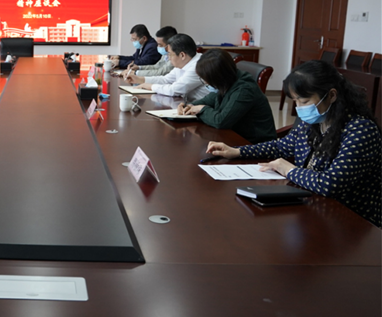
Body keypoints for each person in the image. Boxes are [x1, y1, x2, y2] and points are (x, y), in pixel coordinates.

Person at [207, 60, 381, 227]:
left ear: (332, 95)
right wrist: (238, 152)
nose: (299, 108)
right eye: (296, 101)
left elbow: (330, 184)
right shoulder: (314, 122)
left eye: (304, 101)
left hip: (353, 221)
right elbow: (281, 146)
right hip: (315, 206)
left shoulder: (360, 130)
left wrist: (289, 170)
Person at [177, 49, 276, 144]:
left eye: (207, 80)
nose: (206, 83)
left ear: (219, 77)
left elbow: (221, 121)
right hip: (233, 136)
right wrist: (189, 106)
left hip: (253, 145)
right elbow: (209, 99)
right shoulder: (227, 81)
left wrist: (202, 109)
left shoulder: (244, 90)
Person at [125, 33, 209, 101]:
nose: (168, 58)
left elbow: (174, 90)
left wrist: (151, 86)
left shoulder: (198, 66)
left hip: (201, 109)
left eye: (170, 54)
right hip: (187, 104)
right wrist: (139, 79)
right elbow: (166, 80)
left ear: (182, 55)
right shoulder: (183, 62)